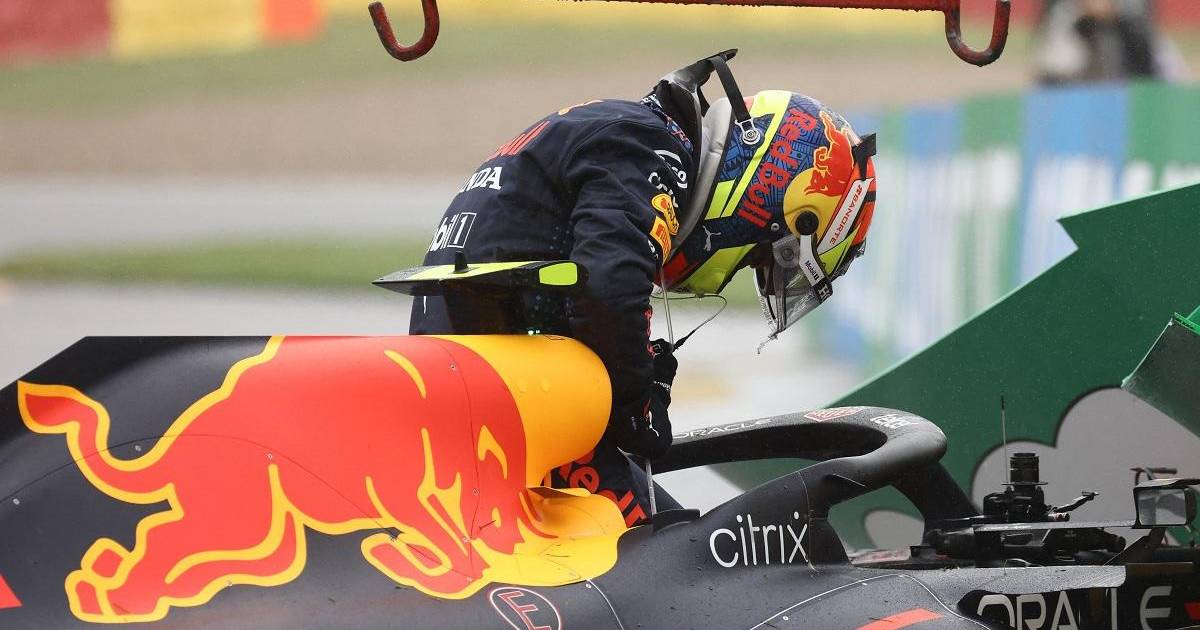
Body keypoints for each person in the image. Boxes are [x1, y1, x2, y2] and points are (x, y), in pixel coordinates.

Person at [409, 51, 878, 526]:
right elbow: (608, 291)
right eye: (760, 256)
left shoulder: (626, 130)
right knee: (692, 553)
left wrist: (635, 375)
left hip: (469, 388)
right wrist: (637, 408)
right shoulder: (651, 146)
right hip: (504, 402)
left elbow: (590, 288)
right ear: (768, 197)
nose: (745, 266)